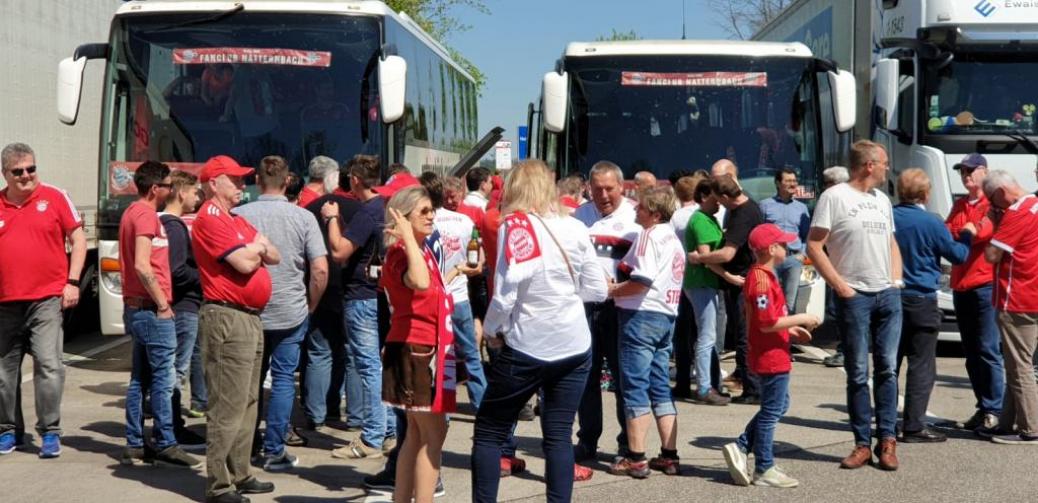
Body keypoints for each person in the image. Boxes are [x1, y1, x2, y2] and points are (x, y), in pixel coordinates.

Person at [473, 160, 608, 502]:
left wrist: (490, 330)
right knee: (559, 435)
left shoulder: (514, 226)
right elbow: (597, 289)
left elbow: (505, 293)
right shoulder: (576, 227)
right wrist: (565, 295)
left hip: (528, 342)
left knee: (489, 431)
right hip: (574, 342)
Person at [806, 140, 903, 471]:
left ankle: (887, 441)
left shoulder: (882, 200)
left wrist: (896, 280)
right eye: (885, 163)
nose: (888, 168)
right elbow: (815, 244)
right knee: (858, 372)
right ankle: (862, 444)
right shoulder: (834, 197)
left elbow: (891, 241)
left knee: (888, 369)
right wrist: (840, 286)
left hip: (887, 295)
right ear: (869, 165)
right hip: (855, 296)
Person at [192, 155, 280, 503]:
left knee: (247, 400)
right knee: (227, 404)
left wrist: (256, 247)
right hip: (228, 316)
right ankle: (219, 484)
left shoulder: (235, 219)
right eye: (236, 179)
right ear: (214, 183)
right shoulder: (211, 218)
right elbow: (245, 262)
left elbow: (274, 254)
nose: (244, 185)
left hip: (248, 316)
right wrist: (256, 247)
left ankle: (239, 472)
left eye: (244, 179)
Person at [234, 156, 328, 471]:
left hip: (249, 310)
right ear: (288, 182)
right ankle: (275, 450)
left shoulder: (237, 215)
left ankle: (244, 446)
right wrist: (311, 303)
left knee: (250, 380)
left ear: (257, 181)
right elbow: (320, 270)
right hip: (291, 309)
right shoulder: (303, 218)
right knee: (285, 378)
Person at [0, 143, 87, 458]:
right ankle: (9, 431)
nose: (26, 176)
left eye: (31, 169)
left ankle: (50, 432)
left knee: (49, 366)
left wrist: (73, 282)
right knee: (3, 373)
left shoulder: (54, 197)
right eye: (18, 171)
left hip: (46, 300)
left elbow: (78, 240)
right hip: (5, 303)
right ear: (5, 174)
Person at [118, 161, 202, 468]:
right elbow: (142, 264)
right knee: (164, 379)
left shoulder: (135, 213)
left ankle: (135, 443)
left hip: (141, 308)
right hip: (151, 310)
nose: (172, 190)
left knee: (141, 378)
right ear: (156, 189)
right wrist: (163, 304)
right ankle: (166, 442)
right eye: (168, 185)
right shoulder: (144, 215)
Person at [722, 224, 819, 488]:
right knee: (772, 410)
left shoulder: (763, 275)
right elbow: (766, 322)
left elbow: (769, 319)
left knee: (779, 404)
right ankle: (763, 467)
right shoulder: (762, 279)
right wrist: (802, 317)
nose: (786, 248)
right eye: (782, 244)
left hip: (772, 350)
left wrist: (791, 327)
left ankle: (742, 446)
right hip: (769, 354)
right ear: (770, 249)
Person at [380, 186, 457, 503]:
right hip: (414, 350)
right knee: (432, 435)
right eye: (423, 211)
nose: (431, 215)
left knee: (416, 433)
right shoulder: (401, 252)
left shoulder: (417, 250)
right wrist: (409, 239)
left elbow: (424, 294)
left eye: (432, 210)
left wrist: (454, 272)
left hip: (419, 347)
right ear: (403, 216)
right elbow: (420, 282)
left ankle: (402, 499)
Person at [607, 187, 685, 478]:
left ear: (653, 213)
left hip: (640, 314)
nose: (635, 211)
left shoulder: (648, 236)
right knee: (659, 385)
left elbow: (641, 280)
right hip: (667, 314)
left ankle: (636, 457)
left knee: (634, 387)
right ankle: (669, 455)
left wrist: (613, 289)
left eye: (640, 207)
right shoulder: (674, 240)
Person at [892, 169, 971, 443]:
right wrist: (968, 235)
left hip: (890, 296)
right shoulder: (931, 222)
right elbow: (958, 255)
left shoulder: (887, 216)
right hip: (921, 297)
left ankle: (887, 422)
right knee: (922, 364)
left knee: (889, 363)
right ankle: (913, 426)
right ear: (925, 193)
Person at [322, 155, 393, 458]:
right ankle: (387, 430)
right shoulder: (388, 207)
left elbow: (339, 251)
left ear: (353, 178)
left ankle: (372, 437)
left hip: (361, 296)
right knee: (378, 364)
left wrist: (331, 218)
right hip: (378, 294)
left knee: (368, 366)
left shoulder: (368, 212)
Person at [572, 160, 642, 463]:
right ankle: (587, 440)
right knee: (585, 376)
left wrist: (623, 282)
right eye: (597, 189)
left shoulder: (636, 217)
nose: (603, 195)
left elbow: (645, 263)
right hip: (585, 307)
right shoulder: (579, 216)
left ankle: (628, 442)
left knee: (622, 377)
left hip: (621, 307)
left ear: (622, 187)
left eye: (609, 189)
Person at [688, 174, 763, 404]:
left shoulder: (741, 214)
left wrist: (700, 258)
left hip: (740, 279)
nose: (719, 204)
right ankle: (711, 386)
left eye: (719, 199)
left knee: (741, 334)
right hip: (719, 282)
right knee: (717, 335)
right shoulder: (709, 217)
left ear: (724, 195)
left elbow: (726, 254)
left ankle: (751, 389)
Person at [945, 154, 1004, 432]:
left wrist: (966, 231)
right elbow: (948, 234)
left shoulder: (991, 204)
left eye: (971, 170)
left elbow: (983, 233)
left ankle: (994, 409)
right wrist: (964, 231)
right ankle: (983, 406)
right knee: (971, 352)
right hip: (961, 284)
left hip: (984, 284)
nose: (965, 175)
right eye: (962, 171)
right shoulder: (959, 204)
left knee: (988, 349)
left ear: (985, 172)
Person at [301, 166, 362, 434]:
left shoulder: (310, 209)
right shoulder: (361, 210)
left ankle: (316, 414)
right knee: (352, 353)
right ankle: (356, 415)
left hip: (318, 285)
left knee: (320, 351)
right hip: (351, 287)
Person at [418, 173, 486, 411]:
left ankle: (434, 403)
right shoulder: (465, 222)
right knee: (471, 356)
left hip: (431, 298)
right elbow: (477, 262)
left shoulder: (422, 222)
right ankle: (481, 405)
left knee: (431, 356)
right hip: (458, 297)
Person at [981, 170, 1038, 444]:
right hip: (1032, 295)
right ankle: (1006, 422)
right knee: (1016, 364)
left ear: (1002, 192)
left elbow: (992, 254)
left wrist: (993, 222)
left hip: (1017, 297)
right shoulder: (1035, 206)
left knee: (1020, 366)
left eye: (993, 201)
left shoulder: (1017, 213)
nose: (994, 207)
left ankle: (1030, 428)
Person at [159, 169, 208, 448]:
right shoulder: (175, 226)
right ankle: (172, 429)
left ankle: (169, 426)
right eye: (193, 191)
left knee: (171, 368)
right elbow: (177, 271)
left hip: (177, 305)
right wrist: (205, 275)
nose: (197, 196)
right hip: (183, 305)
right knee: (177, 370)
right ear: (180, 192)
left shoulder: (161, 221)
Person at [683, 179, 739, 405]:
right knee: (707, 337)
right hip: (702, 282)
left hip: (706, 283)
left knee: (710, 335)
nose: (720, 204)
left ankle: (711, 383)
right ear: (705, 197)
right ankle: (705, 387)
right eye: (716, 198)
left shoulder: (708, 219)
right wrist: (729, 276)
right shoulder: (701, 221)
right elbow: (706, 259)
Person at [758, 168, 811, 313]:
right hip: (771, 259)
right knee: (771, 298)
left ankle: (787, 333)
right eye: (788, 181)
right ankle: (773, 332)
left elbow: (807, 235)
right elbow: (759, 233)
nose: (793, 184)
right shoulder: (765, 205)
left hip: (793, 258)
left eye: (794, 181)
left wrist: (802, 255)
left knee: (790, 303)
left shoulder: (802, 208)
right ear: (777, 183)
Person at [821, 166, 851, 368]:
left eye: (826, 184)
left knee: (842, 311)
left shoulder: (837, 202)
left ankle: (845, 351)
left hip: (842, 266)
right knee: (839, 310)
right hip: (839, 263)